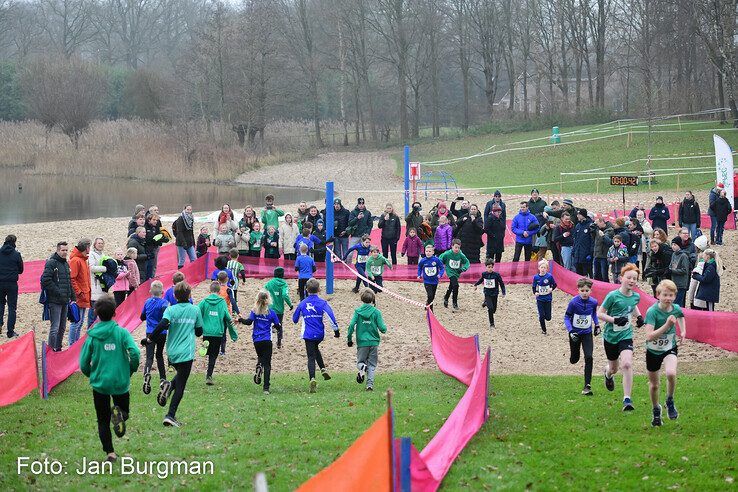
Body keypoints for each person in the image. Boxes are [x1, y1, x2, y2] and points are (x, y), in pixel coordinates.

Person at [79, 295, 139, 462]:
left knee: (102, 419)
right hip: (120, 381)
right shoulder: (122, 333)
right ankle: (120, 415)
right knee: (124, 412)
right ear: (115, 312)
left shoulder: (91, 336)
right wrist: (130, 369)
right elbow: (135, 353)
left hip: (100, 384)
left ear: (97, 313)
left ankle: (110, 453)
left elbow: (83, 363)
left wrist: (92, 374)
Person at [142, 281, 203, 427]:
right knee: (181, 384)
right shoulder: (195, 310)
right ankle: (170, 415)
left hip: (172, 352)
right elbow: (199, 332)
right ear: (189, 295)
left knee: (180, 375)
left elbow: (162, 324)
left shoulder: (170, 310)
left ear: (174, 296)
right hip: (186, 352)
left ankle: (168, 386)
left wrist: (150, 338)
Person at [597, 263, 644, 412]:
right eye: (629, 277)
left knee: (627, 364)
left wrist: (640, 316)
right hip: (610, 336)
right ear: (621, 278)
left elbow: (633, 305)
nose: (632, 280)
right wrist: (614, 320)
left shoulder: (636, 296)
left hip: (626, 335)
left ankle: (627, 399)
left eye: (635, 278)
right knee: (614, 368)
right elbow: (600, 313)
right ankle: (607, 374)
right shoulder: (612, 296)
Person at [643, 279, 686, 426]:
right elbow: (649, 336)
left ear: (675, 296)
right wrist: (667, 325)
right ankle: (656, 410)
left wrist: (683, 331)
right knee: (654, 385)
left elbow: (680, 315)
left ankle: (670, 399)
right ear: (658, 295)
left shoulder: (675, 308)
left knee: (671, 373)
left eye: (671, 295)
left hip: (669, 348)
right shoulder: (652, 312)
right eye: (665, 295)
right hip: (653, 351)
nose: (668, 298)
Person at [292, 278, 340, 393]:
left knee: (310, 356)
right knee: (315, 348)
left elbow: (294, 319)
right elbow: (331, 317)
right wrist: (336, 331)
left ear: (306, 290)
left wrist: (303, 314)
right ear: (319, 289)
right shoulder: (323, 303)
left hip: (308, 333)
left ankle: (312, 378)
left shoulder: (302, 303)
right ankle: (323, 369)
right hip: (319, 334)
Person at [238, 290, 280, 394]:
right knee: (268, 364)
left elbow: (248, 322)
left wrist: (240, 320)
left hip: (257, 340)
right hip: (267, 339)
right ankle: (266, 388)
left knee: (260, 357)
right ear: (268, 300)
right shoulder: (271, 313)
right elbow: (278, 326)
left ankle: (259, 366)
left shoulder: (254, 311)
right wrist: (275, 328)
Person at [564, 278, 600, 396]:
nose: (585, 293)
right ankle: (574, 356)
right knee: (574, 359)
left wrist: (597, 325)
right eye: (582, 290)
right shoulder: (573, 302)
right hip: (575, 334)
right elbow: (566, 317)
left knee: (589, 357)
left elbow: (593, 314)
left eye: (587, 290)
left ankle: (587, 386)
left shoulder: (593, 302)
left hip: (587, 334)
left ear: (590, 290)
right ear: (578, 290)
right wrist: (570, 331)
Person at [347, 289, 387, 392]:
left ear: (362, 299)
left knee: (360, 362)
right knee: (372, 365)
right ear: (373, 299)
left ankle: (362, 367)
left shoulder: (358, 312)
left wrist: (349, 338)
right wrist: (384, 329)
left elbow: (351, 325)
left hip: (362, 342)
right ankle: (369, 385)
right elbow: (383, 328)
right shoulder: (376, 312)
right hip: (374, 342)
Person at [198, 282, 238, 386]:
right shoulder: (222, 302)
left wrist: (197, 328)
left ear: (209, 290)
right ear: (220, 291)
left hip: (206, 332)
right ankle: (209, 376)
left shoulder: (204, 302)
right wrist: (234, 334)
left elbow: (197, 313)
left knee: (209, 348)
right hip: (218, 333)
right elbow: (228, 318)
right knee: (213, 355)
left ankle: (205, 347)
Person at [139, 281, 169, 395]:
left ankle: (147, 374)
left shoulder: (147, 302)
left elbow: (142, 317)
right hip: (161, 332)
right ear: (162, 291)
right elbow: (166, 317)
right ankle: (162, 379)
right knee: (160, 355)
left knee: (149, 357)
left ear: (150, 291)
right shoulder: (165, 303)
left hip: (150, 332)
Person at [68, 239, 92, 346]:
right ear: (86, 248)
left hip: (84, 293)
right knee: (76, 322)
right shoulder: (76, 260)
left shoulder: (83, 260)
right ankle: (72, 344)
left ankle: (76, 343)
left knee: (80, 322)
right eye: (89, 246)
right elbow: (72, 279)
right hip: (79, 295)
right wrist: (79, 292)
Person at [0, 235, 23, 338]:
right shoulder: (16, 254)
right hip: (12, 284)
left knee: (0, 305)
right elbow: (21, 270)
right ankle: (10, 331)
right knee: (12, 308)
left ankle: (0, 326)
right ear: (14, 242)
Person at [264, 267, 293, 349]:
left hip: (270, 308)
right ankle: (279, 343)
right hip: (279, 309)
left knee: (268, 325)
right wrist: (290, 304)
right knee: (279, 325)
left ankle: (268, 341)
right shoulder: (284, 284)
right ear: (283, 275)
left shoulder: (269, 283)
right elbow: (285, 295)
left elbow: (264, 291)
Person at [439, 239, 470, 311]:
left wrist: (463, 269)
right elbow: (440, 258)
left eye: (458, 248)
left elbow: (467, 262)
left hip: (457, 272)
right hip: (450, 272)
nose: (457, 249)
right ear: (452, 246)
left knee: (452, 285)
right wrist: (440, 265)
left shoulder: (461, 255)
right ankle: (454, 302)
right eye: (455, 247)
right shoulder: (447, 254)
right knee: (456, 285)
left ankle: (446, 297)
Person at [474, 259, 505, 328]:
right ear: (486, 267)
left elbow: (501, 283)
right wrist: (476, 285)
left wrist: (503, 292)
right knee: (490, 309)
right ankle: (492, 324)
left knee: (494, 310)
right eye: (488, 267)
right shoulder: (484, 274)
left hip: (495, 293)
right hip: (487, 293)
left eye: (491, 267)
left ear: (493, 267)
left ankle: (485, 303)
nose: (490, 269)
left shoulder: (496, 275)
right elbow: (481, 280)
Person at [417, 244, 445, 311]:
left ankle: (427, 304)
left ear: (433, 252)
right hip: (427, 281)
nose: (428, 253)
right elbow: (419, 267)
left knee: (432, 296)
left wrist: (440, 274)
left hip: (435, 281)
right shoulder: (423, 260)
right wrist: (419, 274)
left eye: (430, 251)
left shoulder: (436, 260)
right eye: (426, 251)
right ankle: (431, 310)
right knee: (430, 295)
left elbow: (442, 268)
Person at [532, 259, 556, 334]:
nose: (543, 269)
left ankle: (546, 316)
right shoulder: (536, 277)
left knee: (548, 318)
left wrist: (551, 289)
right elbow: (533, 287)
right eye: (541, 267)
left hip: (548, 299)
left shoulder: (549, 276)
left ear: (547, 269)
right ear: (539, 268)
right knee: (541, 316)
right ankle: (544, 330)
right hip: (540, 299)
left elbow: (555, 284)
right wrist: (535, 292)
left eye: (544, 267)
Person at [88, 237, 108, 326]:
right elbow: (91, 268)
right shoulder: (91, 254)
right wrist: (105, 269)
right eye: (99, 243)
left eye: (102, 243)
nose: (100, 245)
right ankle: (89, 332)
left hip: (102, 285)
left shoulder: (103, 255)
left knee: (100, 312)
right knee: (93, 312)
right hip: (95, 285)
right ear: (95, 245)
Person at [172, 205, 196, 269]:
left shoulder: (191, 219)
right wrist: (183, 243)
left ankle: (192, 271)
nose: (189, 211)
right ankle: (180, 275)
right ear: (184, 210)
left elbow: (191, 231)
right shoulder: (180, 219)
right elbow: (179, 232)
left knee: (194, 258)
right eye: (187, 209)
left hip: (189, 242)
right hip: (181, 242)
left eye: (190, 210)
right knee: (182, 259)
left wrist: (193, 241)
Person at [668, 238, 691, 307]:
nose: (673, 246)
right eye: (672, 245)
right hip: (674, 282)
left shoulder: (683, 256)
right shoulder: (674, 254)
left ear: (679, 245)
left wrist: (672, 271)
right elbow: (671, 265)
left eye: (675, 245)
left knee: (678, 303)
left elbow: (685, 270)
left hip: (681, 283)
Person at [593, 217, 614, 282]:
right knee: (596, 274)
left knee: (604, 275)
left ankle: (606, 288)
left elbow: (609, 242)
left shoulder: (610, 230)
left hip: (604, 256)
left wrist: (603, 236)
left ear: (602, 222)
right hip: (597, 254)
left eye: (597, 223)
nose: (597, 225)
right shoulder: (597, 229)